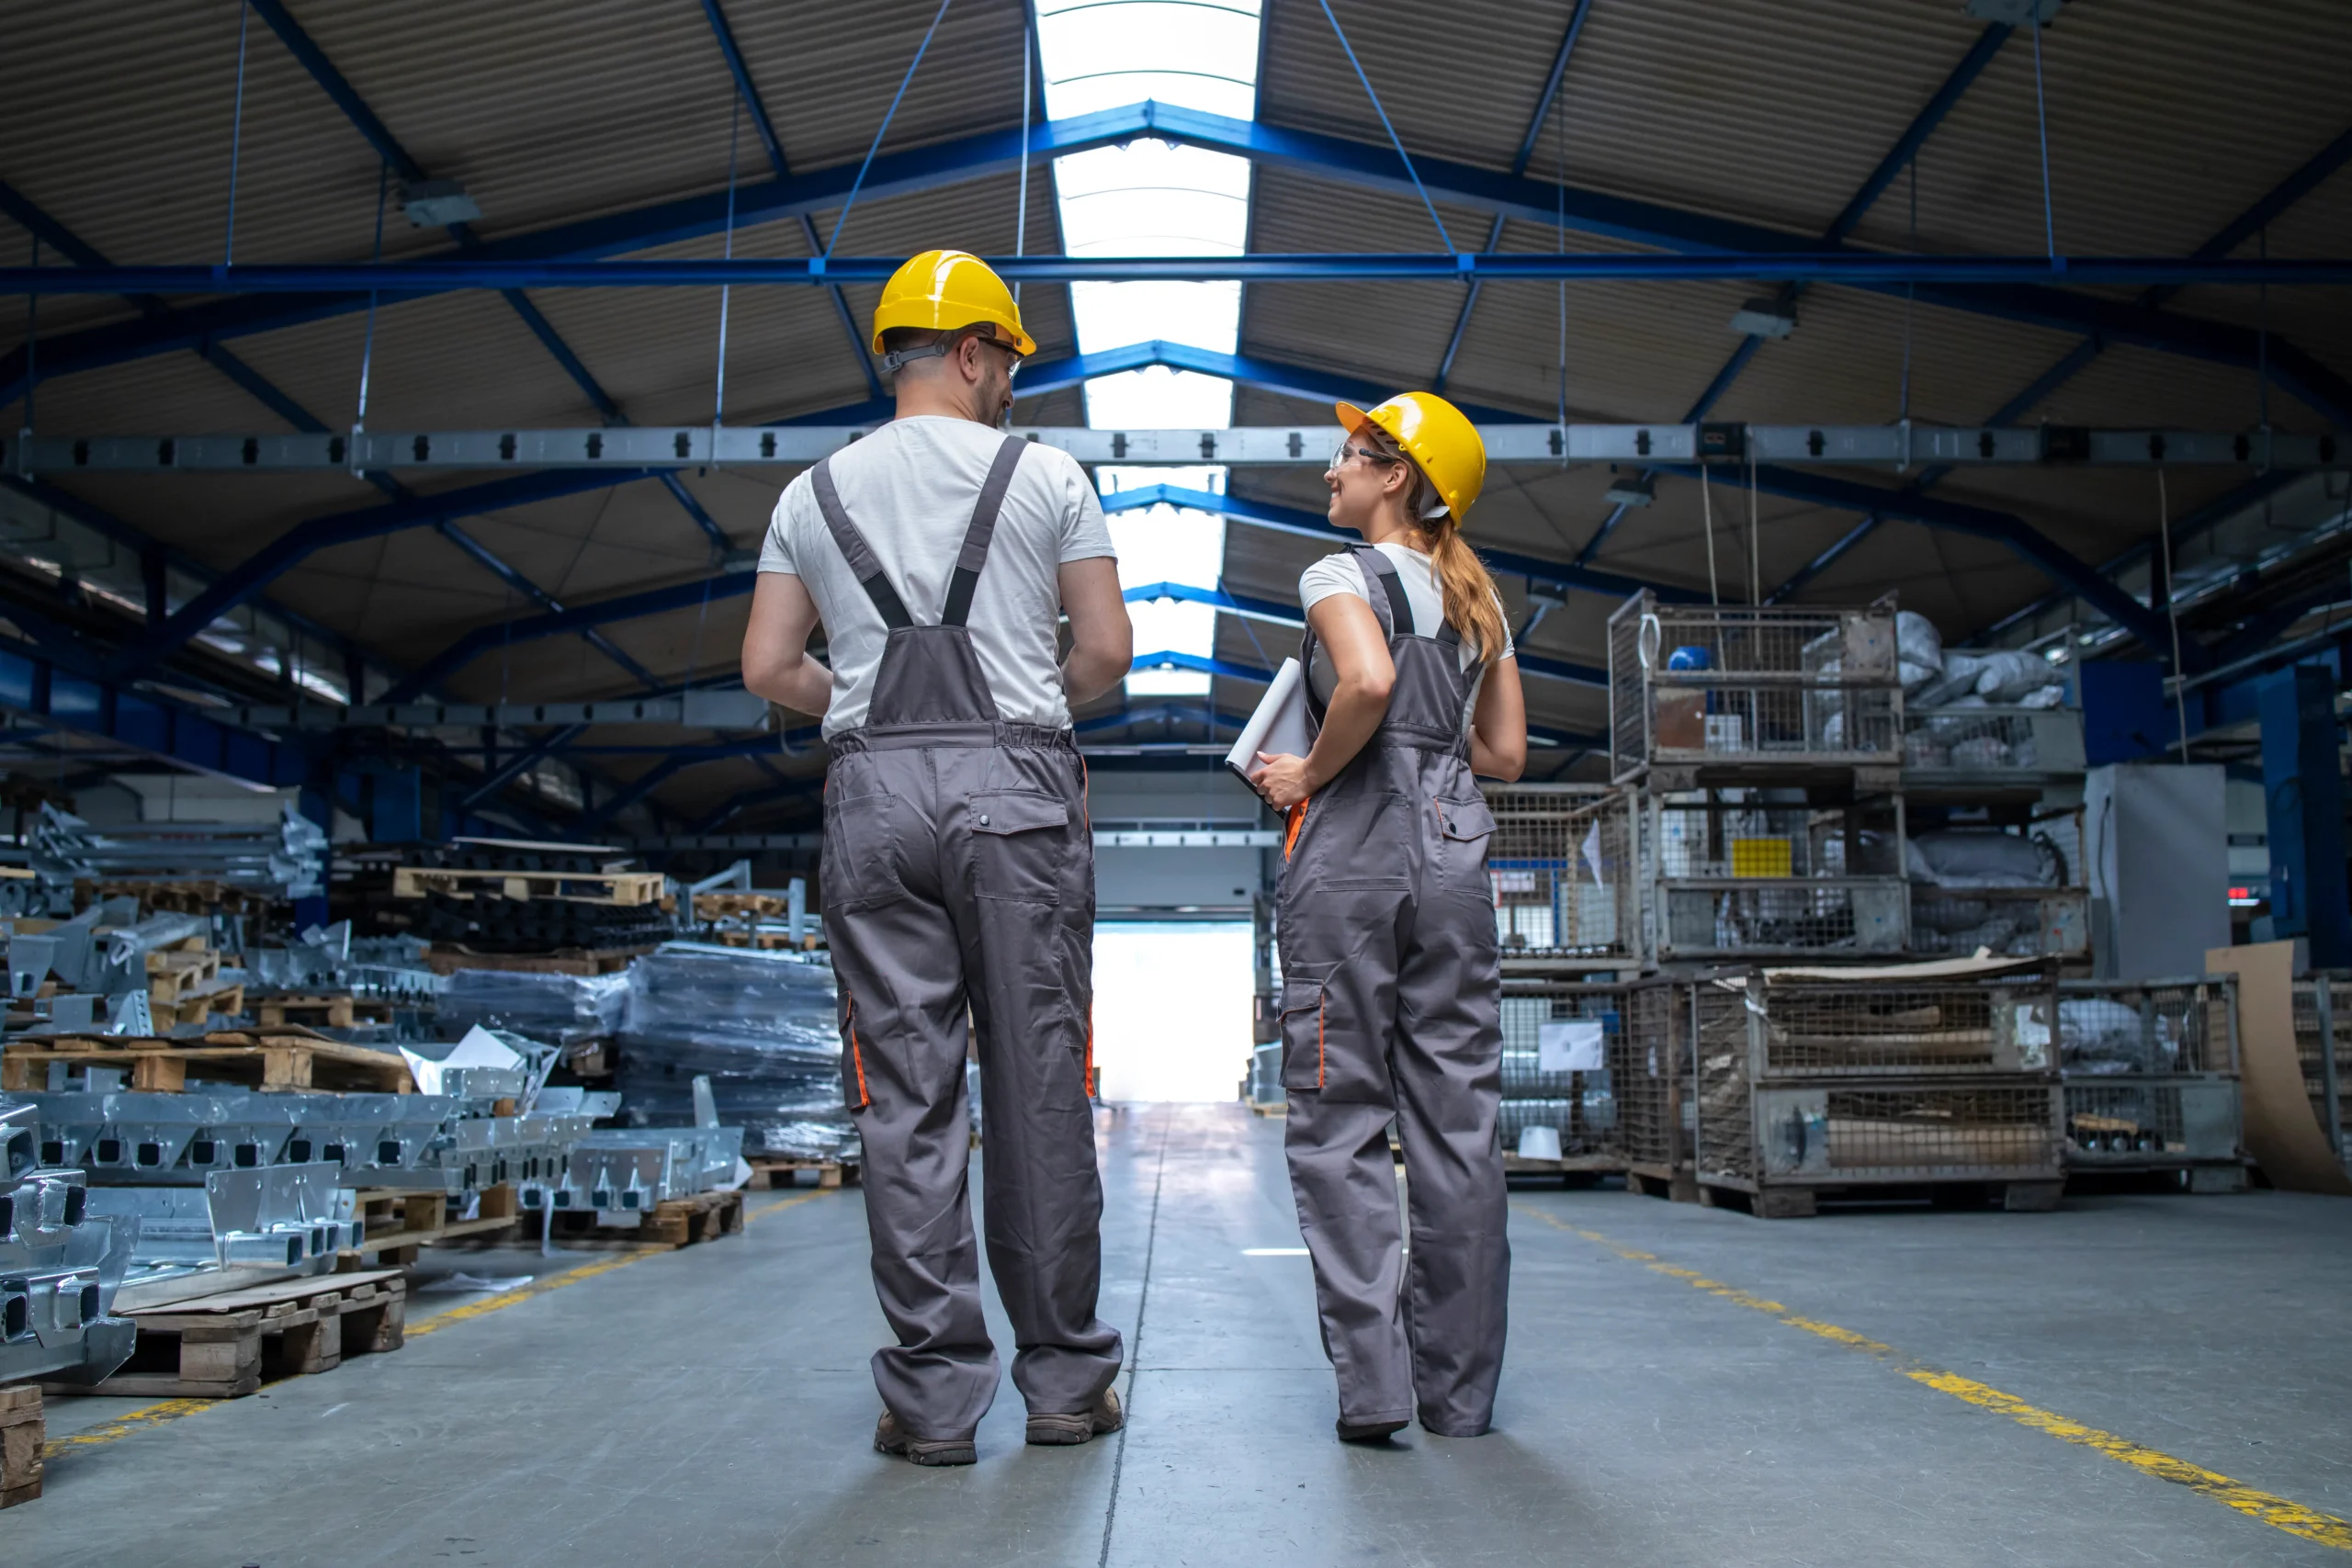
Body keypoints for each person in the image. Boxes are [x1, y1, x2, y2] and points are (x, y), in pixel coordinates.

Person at [740, 249, 1134, 1468]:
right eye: (1007, 358)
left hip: (872, 795)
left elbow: (766, 667)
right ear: (970, 352)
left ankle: (931, 1401)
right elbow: (1108, 652)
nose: (1011, 380)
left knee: (905, 1102)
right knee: (1037, 1087)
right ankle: (1064, 1381)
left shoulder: (809, 494)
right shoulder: (1048, 475)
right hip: (1013, 791)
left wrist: (857, 700)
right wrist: (1026, 706)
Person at [1248, 391, 1527, 1443]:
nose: (1331, 471)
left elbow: (1362, 681)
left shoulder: (1338, 576)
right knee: (1459, 1125)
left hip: (1354, 849)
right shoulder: (1479, 603)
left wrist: (1304, 775)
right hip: (1456, 851)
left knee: (1340, 1117)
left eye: (1348, 457)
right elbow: (1502, 755)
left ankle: (1372, 1392)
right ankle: (1459, 1399)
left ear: (1396, 476)